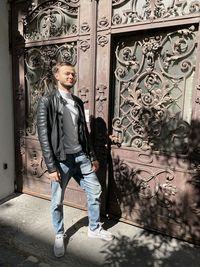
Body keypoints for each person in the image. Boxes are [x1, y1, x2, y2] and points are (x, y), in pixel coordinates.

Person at [37, 61, 113, 258]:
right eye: (67, 74)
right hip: (61, 160)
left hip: (81, 156)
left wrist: (93, 156)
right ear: (57, 76)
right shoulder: (47, 101)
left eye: (73, 74)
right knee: (57, 200)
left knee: (95, 190)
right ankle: (59, 234)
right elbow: (43, 135)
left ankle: (94, 228)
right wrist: (51, 165)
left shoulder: (78, 102)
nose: (71, 77)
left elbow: (84, 133)